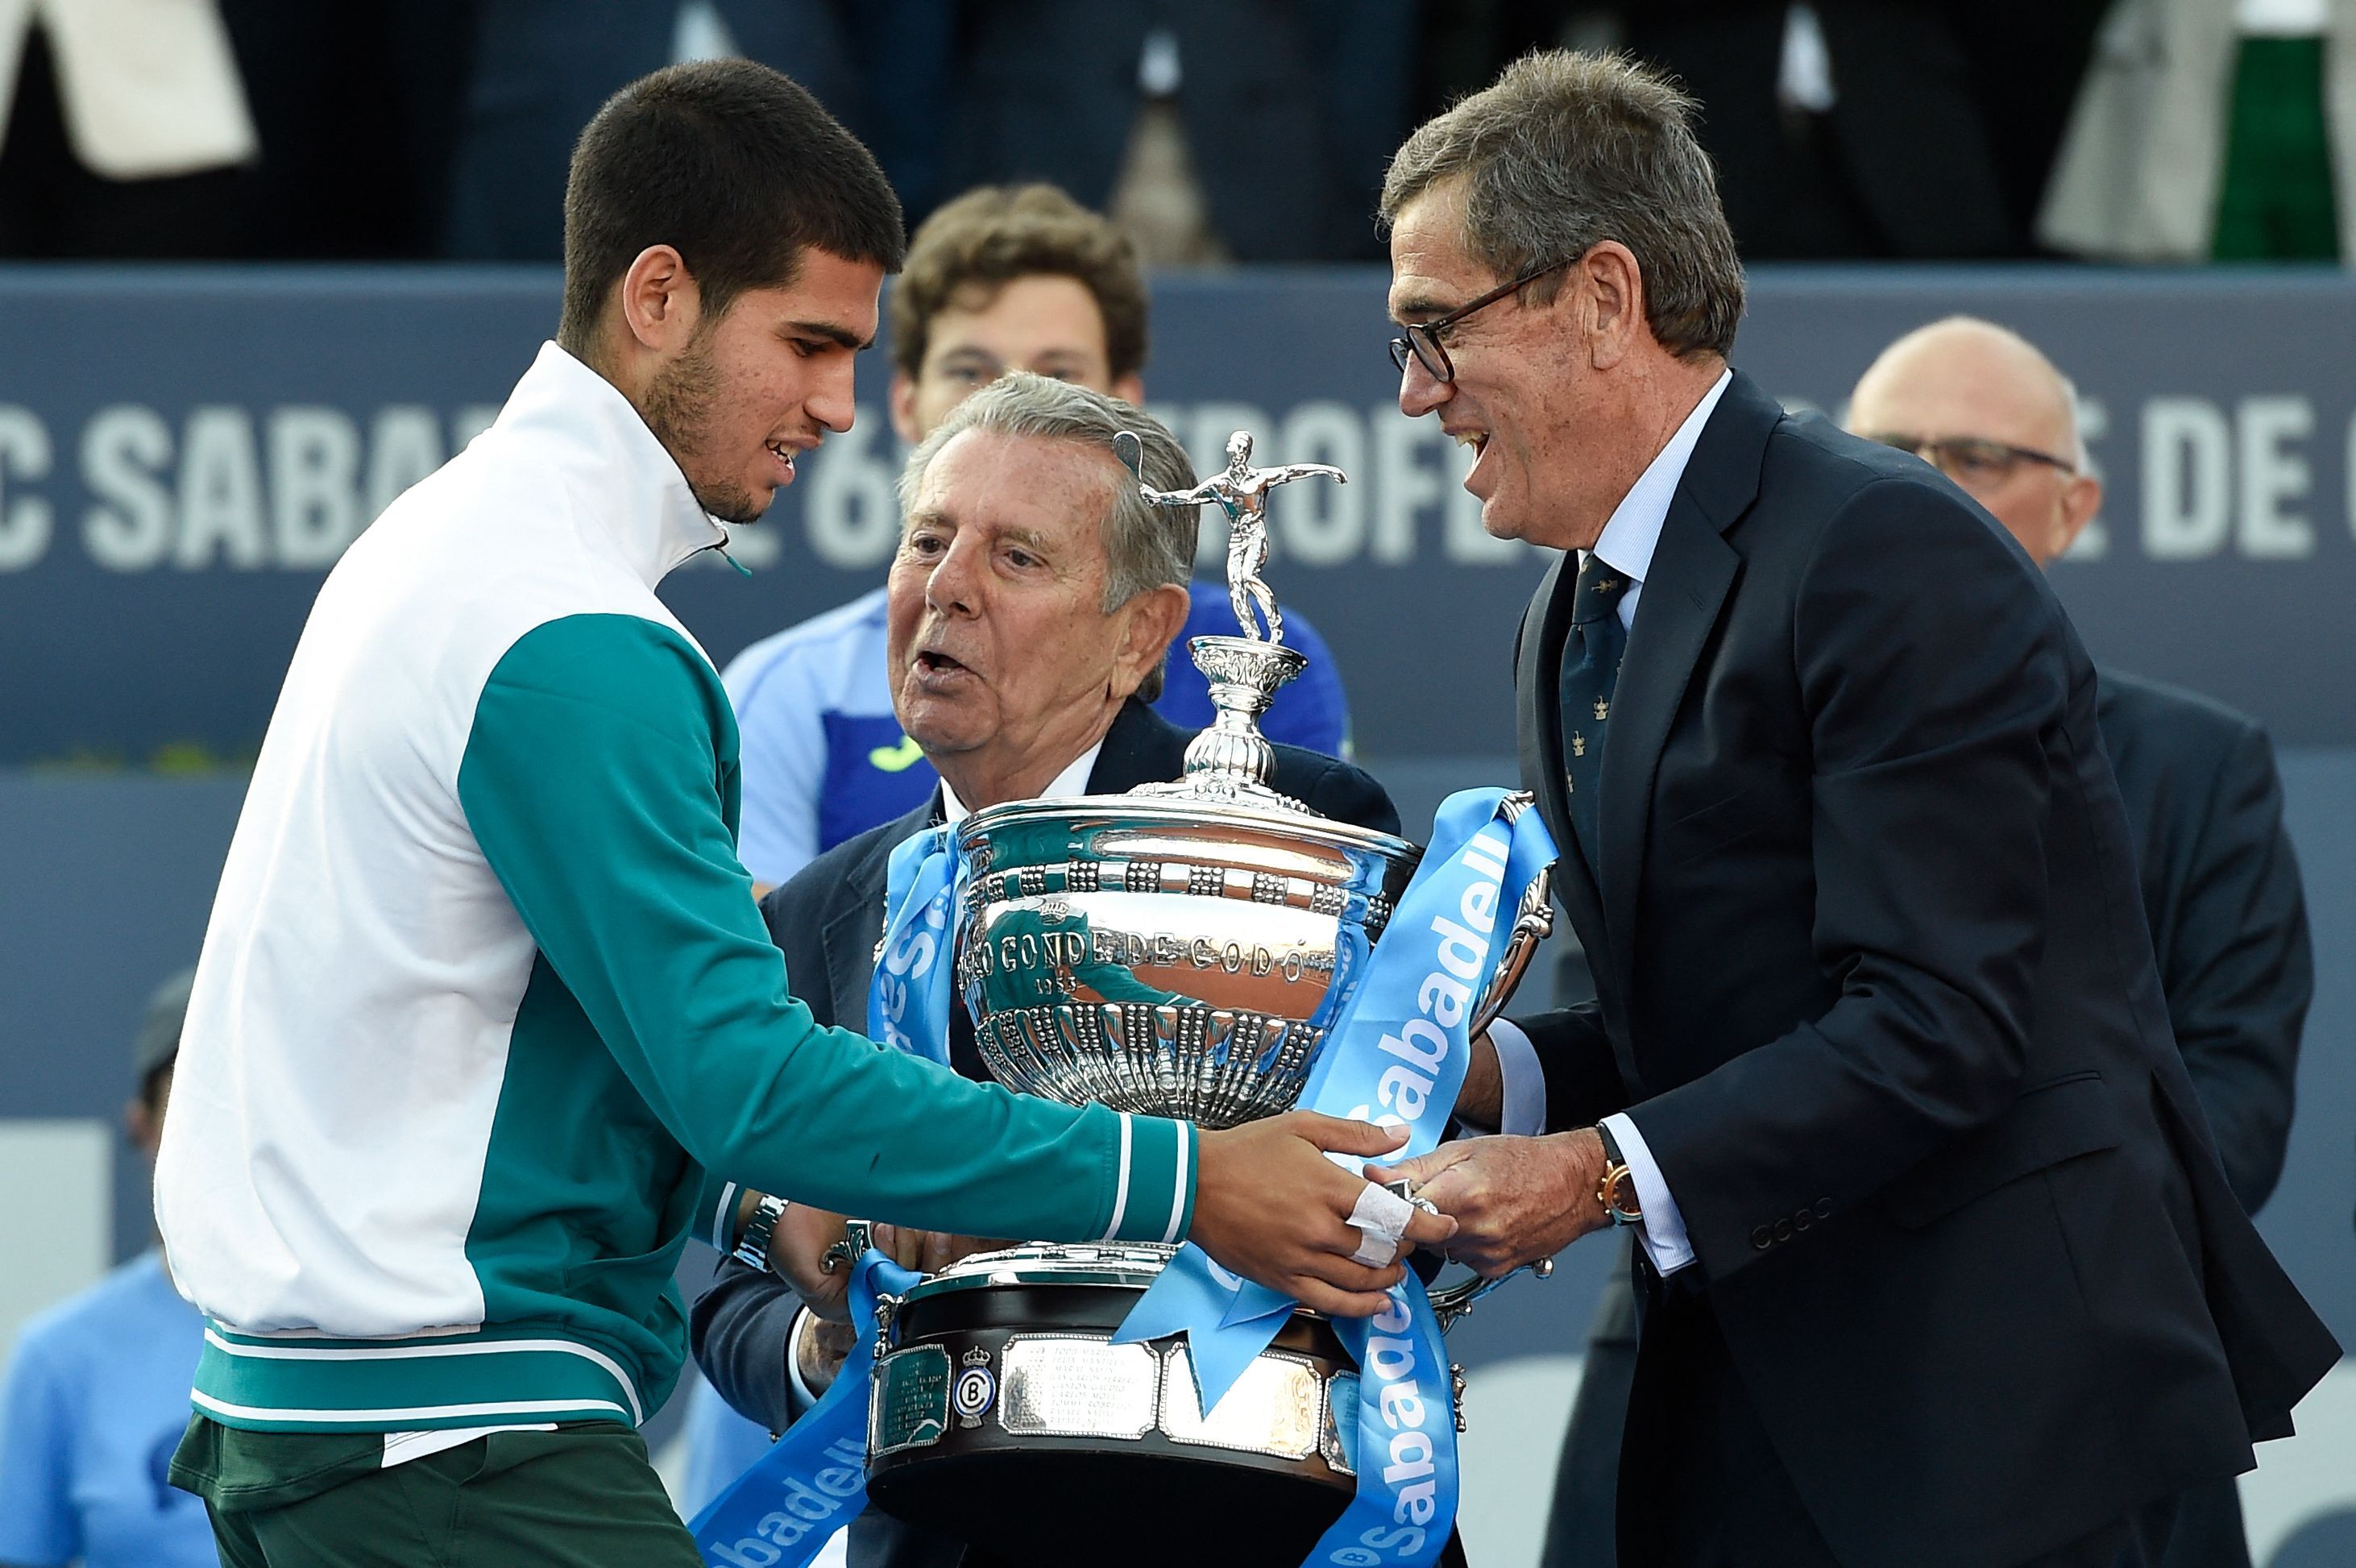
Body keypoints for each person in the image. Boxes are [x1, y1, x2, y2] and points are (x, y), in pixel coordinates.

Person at [151, 60, 1446, 1568]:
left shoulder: (446, 551)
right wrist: (1188, 1175)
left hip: (348, 1417)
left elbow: (584, 1053)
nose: (837, 408)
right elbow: (741, 1080)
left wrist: (774, 1220)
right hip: (453, 1437)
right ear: (656, 297)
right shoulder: (570, 636)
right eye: (810, 345)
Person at [1372, 50, 2337, 1568]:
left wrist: (1588, 1173)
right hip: (1750, 1407)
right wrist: (1441, 1066)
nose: (1416, 396)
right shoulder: (1572, 608)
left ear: (1601, 300)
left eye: (1433, 331)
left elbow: (1942, 1016)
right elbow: (1682, 1026)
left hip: (1979, 1429)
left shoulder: (1886, 546)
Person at [1545, 315, 2321, 1566]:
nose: (1923, 478)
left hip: (2033, 1398)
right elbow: (1644, 1030)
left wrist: (1968, 1242)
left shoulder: (2197, 767)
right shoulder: (1653, 691)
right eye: (1892, 444)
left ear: (2076, 506)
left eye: (1977, 453)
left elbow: (2216, 1110)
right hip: (1715, 1374)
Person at [693, 374, 1403, 1567]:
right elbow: (728, 1287)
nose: (946, 587)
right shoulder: (823, 907)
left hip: (1240, 1522)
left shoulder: (1286, 836)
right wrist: (837, 1341)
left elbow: (1380, 1181)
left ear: (1142, 633)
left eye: (1016, 557)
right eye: (928, 539)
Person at [721, 182, 1354, 895]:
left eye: (1059, 376)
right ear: (904, 404)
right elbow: (787, 957)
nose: (1015, 402)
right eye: (970, 372)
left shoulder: (1245, 666)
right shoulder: (787, 690)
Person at [0, 970, 215, 1568]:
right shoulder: (60, 1357)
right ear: (141, 1126)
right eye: (195, 1099)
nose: (227, 1131)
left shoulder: (389, 1333)